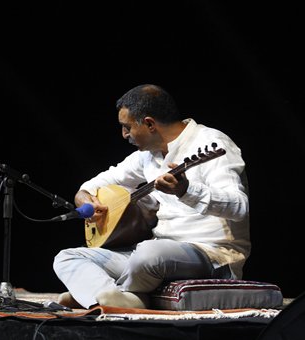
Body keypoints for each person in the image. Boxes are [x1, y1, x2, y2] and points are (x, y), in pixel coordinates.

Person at [53, 84, 250, 309]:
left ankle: (106, 295)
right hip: (157, 254)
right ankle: (112, 296)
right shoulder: (147, 156)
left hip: (211, 253)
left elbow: (239, 206)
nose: (124, 134)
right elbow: (100, 181)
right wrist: (84, 195)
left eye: (126, 127)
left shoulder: (213, 143)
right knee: (68, 257)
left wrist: (186, 191)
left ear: (149, 124)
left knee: (148, 252)